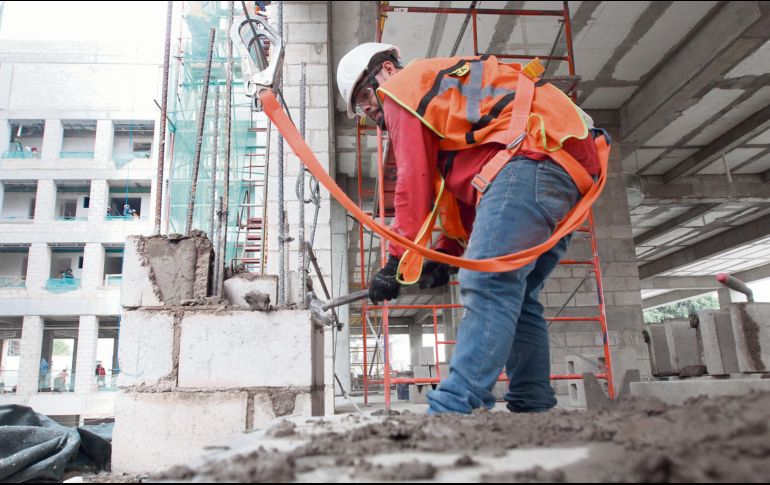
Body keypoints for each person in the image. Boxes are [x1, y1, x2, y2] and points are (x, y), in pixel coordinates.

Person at [337, 44, 607, 415]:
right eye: (362, 108)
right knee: (519, 294)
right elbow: (469, 192)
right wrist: (447, 252)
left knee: (488, 283)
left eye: (366, 95)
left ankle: (451, 410)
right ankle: (532, 405)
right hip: (558, 168)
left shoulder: (401, 90)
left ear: (386, 70)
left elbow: (411, 184)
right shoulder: (445, 105)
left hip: (529, 159)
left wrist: (396, 263)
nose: (369, 108)